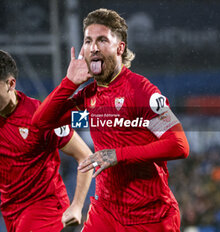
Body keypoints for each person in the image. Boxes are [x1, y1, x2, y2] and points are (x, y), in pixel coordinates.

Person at [32, 8, 189, 232]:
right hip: (106, 212)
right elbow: (41, 123)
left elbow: (179, 145)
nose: (93, 47)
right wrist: (69, 83)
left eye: (102, 40)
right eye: (88, 41)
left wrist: (118, 155)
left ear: (120, 47)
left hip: (149, 217)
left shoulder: (141, 92)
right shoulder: (88, 97)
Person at [0, 50, 93, 232]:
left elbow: (86, 156)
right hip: (11, 211)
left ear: (11, 84)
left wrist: (77, 205)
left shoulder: (40, 115)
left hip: (46, 208)